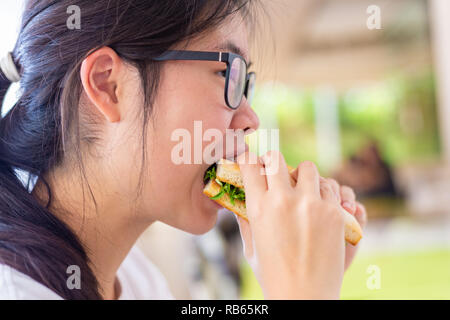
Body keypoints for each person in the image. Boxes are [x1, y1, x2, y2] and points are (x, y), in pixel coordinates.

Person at [0, 0, 366, 300]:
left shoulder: (135, 279)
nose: (250, 119)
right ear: (108, 84)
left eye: (244, 83)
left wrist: (302, 271)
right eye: (227, 74)